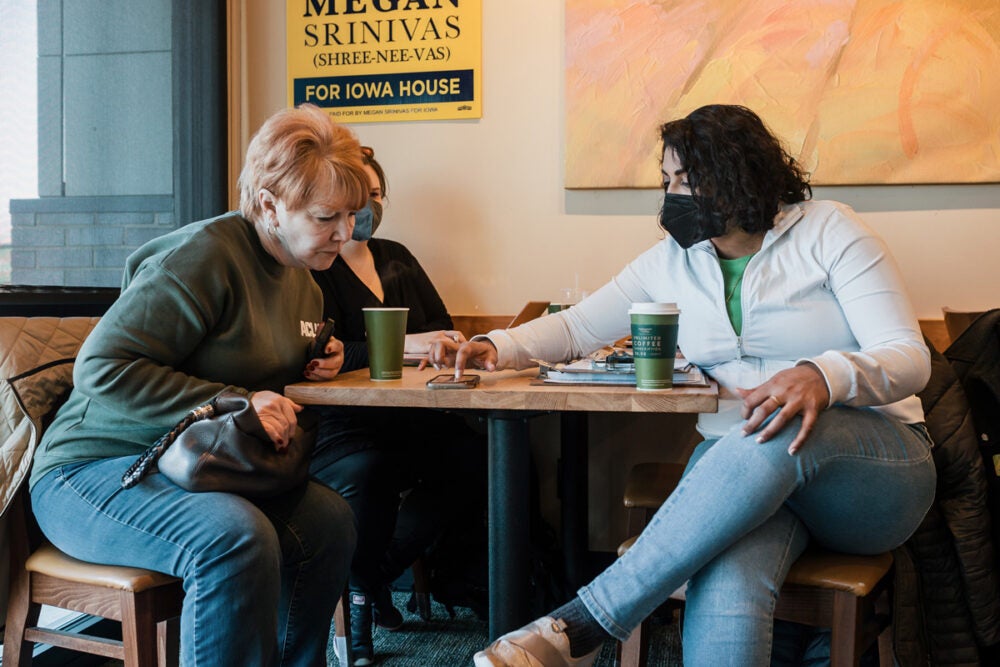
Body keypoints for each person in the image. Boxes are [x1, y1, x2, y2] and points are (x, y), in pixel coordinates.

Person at [427, 104, 937, 666]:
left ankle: (586, 623)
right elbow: (577, 326)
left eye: (686, 181)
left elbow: (910, 358)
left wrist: (823, 375)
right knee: (726, 579)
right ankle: (578, 630)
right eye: (667, 180)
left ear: (740, 176)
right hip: (741, 476)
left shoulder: (830, 230)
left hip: (871, 474)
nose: (671, 196)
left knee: (769, 432)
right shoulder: (671, 261)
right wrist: (500, 345)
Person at [28, 104, 365, 666]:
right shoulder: (204, 256)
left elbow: (250, 364)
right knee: (234, 538)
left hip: (196, 467)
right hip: (95, 469)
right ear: (269, 205)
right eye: (327, 216)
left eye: (353, 215)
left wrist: (311, 362)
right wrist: (232, 399)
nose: (345, 233)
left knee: (329, 523)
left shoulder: (306, 281)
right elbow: (101, 367)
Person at [309, 146, 488, 665]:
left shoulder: (397, 255)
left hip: (411, 411)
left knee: (479, 459)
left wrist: (432, 342)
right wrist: (408, 343)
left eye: (374, 195)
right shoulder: (313, 264)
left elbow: (446, 327)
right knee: (371, 473)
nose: (365, 209)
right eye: (354, 198)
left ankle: (370, 575)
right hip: (343, 420)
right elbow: (332, 353)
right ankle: (360, 612)